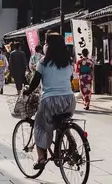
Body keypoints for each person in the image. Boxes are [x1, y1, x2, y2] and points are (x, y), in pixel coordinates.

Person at [23, 32, 77, 170]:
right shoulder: (69, 61)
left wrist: (28, 91)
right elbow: (69, 79)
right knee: (61, 122)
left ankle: (41, 158)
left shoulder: (43, 62)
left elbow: (35, 81)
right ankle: (69, 140)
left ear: (48, 46)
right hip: (69, 100)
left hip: (50, 101)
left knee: (40, 126)